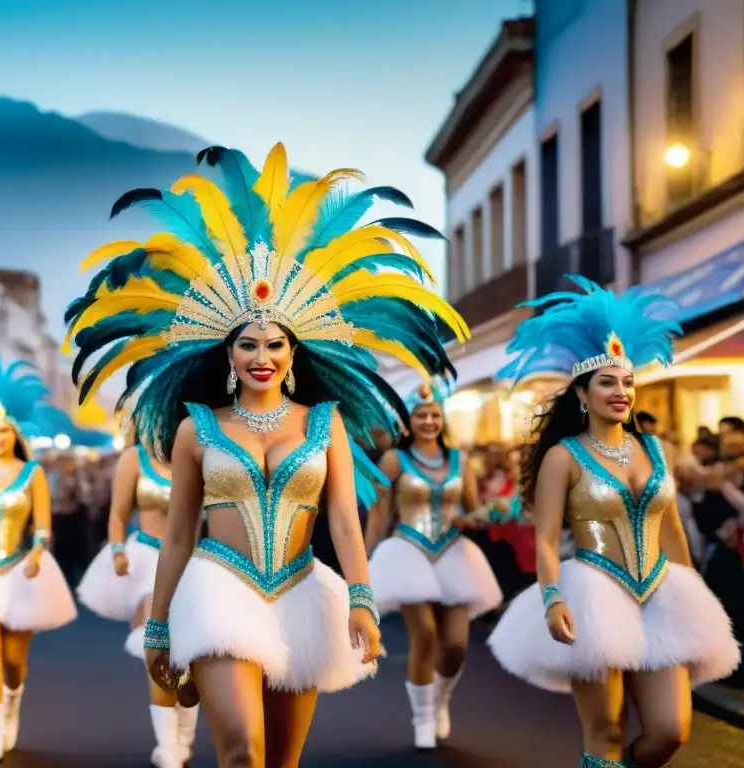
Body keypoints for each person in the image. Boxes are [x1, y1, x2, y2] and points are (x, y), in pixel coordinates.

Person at [65, 142, 467, 767]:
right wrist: (158, 623)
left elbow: (341, 520)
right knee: (242, 750)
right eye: (248, 344)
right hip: (220, 588)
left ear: (293, 352)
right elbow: (177, 538)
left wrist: (360, 598)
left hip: (304, 593)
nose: (262, 356)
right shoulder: (196, 430)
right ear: (227, 355)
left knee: (282, 760)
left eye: (276, 344)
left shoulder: (325, 424)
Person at [486, 277, 740, 768]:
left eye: (626, 381)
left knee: (671, 730)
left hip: (661, 594)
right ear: (582, 392)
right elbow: (544, 541)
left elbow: (672, 531)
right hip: (594, 597)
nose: (621, 391)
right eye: (607, 381)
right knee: (604, 729)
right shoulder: (564, 456)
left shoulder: (654, 449)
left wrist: (695, 600)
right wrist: (552, 596)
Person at [364, 379, 502, 749]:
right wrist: (362, 566)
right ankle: (422, 717)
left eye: (435, 414)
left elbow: (474, 511)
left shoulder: (461, 461)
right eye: (421, 415)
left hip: (454, 553)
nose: (428, 421)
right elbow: (379, 515)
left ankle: (440, 701)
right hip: (407, 551)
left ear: (444, 418)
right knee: (424, 634)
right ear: (408, 421)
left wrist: (487, 515)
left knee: (456, 645)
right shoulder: (395, 460)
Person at [0, 359, 78, 762]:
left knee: (12, 658)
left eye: (3, 430)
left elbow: (43, 525)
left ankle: (12, 704)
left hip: (24, 569)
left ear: (15, 433)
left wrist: (39, 552)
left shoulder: (32, 474)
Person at [77, 436, 200, 768]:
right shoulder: (134, 458)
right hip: (146, 560)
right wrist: (118, 551)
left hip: (194, 561)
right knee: (157, 649)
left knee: (188, 659)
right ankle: (167, 744)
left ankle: (184, 739)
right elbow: (117, 514)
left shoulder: (201, 446)